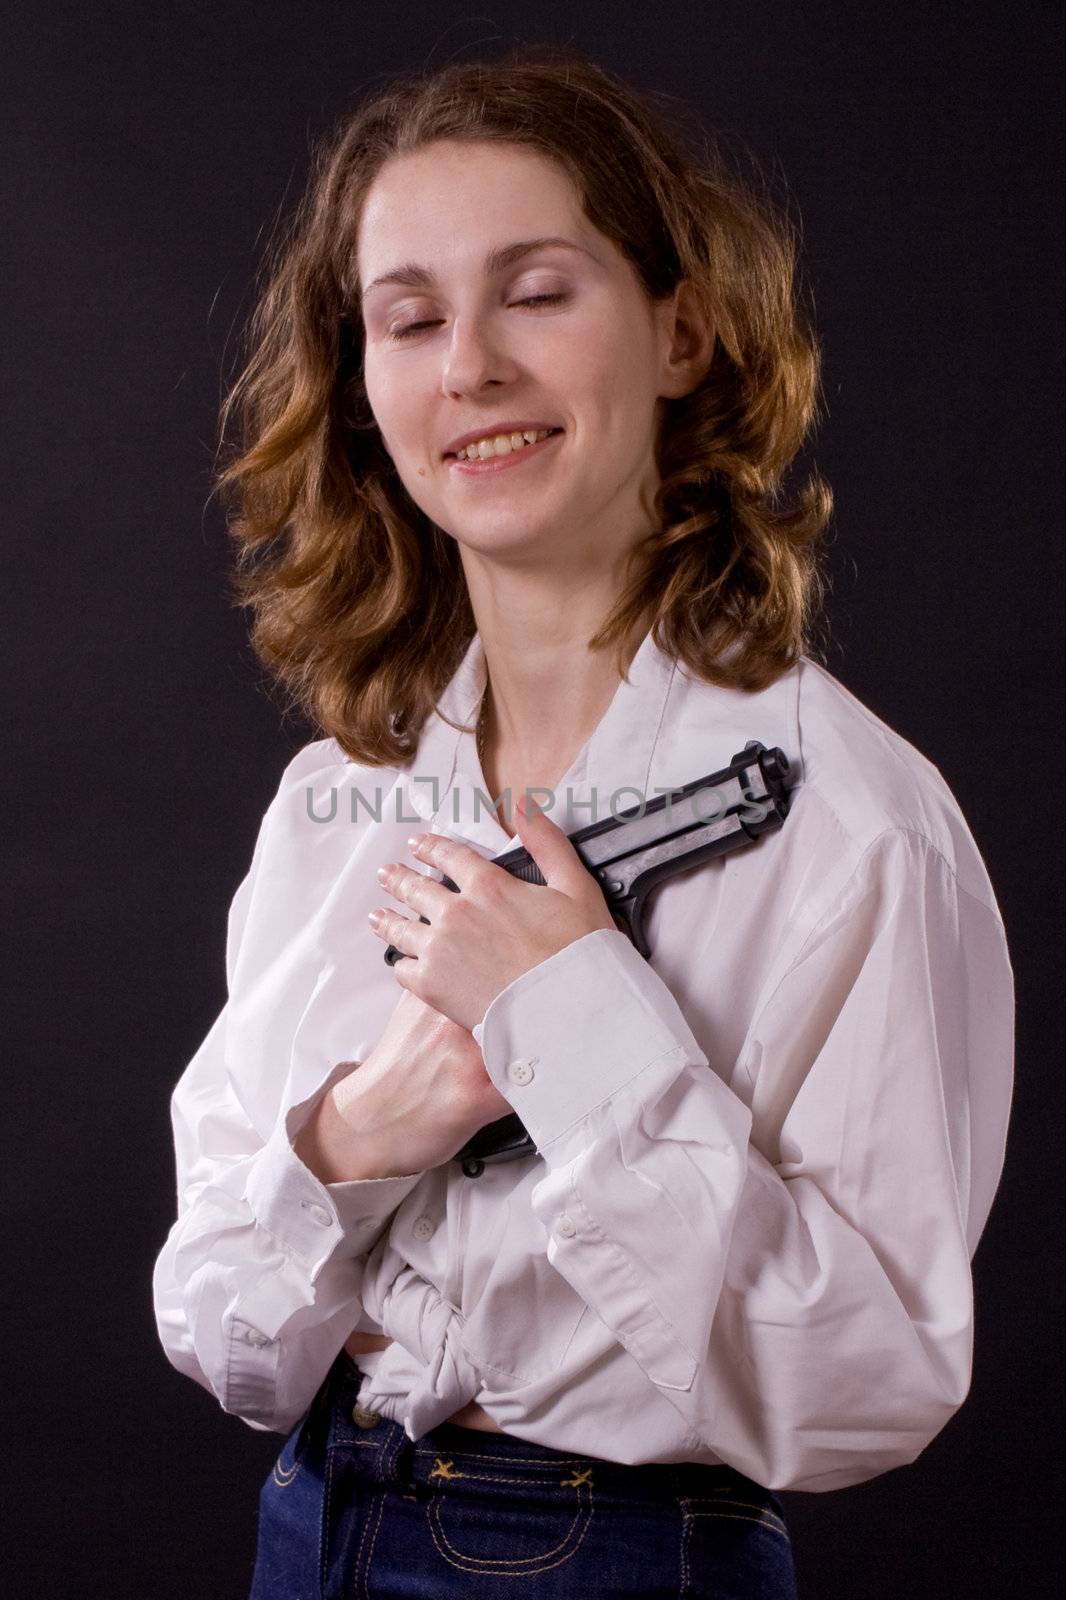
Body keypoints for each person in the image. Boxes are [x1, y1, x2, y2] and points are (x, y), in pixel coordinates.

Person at [152, 47, 1014, 1600]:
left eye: (536, 292)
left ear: (680, 331)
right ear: (365, 387)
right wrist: (368, 1128)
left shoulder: (857, 825)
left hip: (609, 1558)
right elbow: (222, 1331)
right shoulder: (332, 804)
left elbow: (868, 1389)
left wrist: (571, 1024)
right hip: (311, 1522)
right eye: (409, 319)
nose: (468, 365)